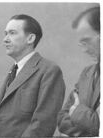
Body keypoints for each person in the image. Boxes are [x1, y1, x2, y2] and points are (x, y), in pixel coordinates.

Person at [0, 14, 65, 137]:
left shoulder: (49, 71)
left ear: (30, 39)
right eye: (5, 33)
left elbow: (43, 123)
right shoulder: (13, 71)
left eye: (12, 33)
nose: (5, 39)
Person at [57, 6, 100, 137]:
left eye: (87, 41)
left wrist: (76, 111)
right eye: (82, 44)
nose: (84, 50)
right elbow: (62, 119)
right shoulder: (87, 73)